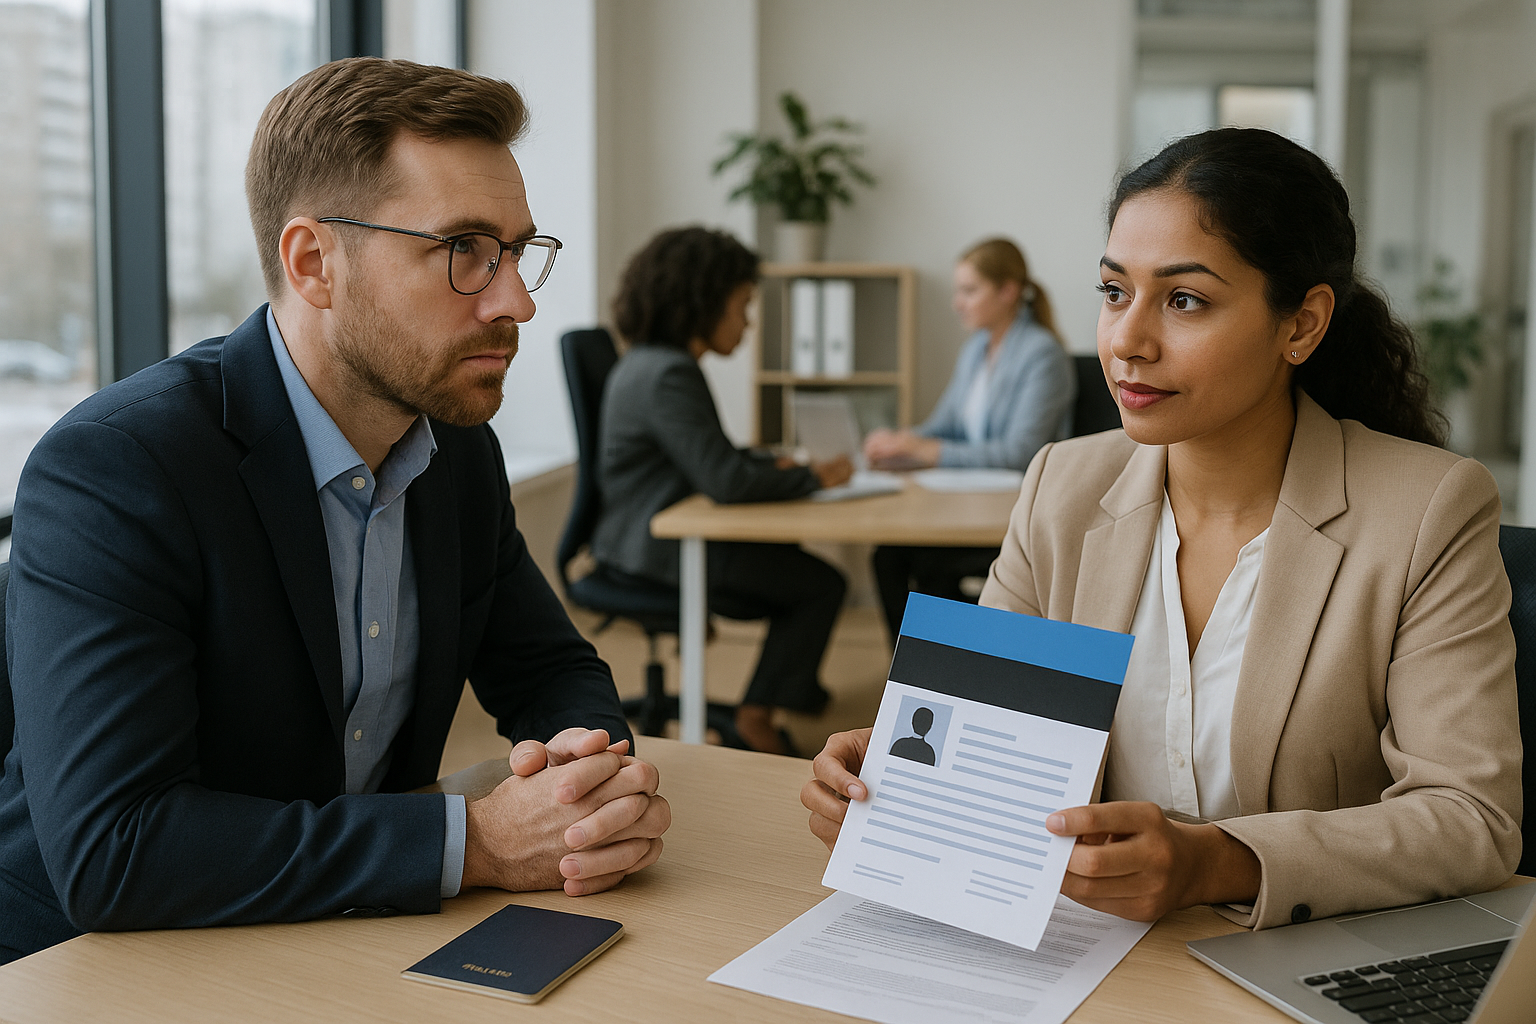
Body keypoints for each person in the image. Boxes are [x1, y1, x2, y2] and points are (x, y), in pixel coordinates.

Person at [0, 58, 670, 965]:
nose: (516, 300)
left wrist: (583, 785)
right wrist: (475, 841)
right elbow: (119, 848)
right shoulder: (119, 468)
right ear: (314, 262)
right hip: (95, 963)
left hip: (335, 933)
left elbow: (548, 667)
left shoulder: (454, 447)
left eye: (516, 253)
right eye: (465, 251)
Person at [801, 128, 1522, 931]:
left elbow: (1472, 818)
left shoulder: (1429, 509)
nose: (1126, 342)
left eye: (1184, 300)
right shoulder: (1061, 486)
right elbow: (988, 738)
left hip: (1296, 955)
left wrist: (1217, 860)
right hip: (1084, 951)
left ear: (1302, 324)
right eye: (1115, 292)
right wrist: (902, 777)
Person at [591, 226, 852, 756]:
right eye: (742, 306)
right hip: (657, 547)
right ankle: (758, 715)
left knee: (791, 564)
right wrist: (812, 476)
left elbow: (705, 457)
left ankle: (788, 691)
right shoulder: (668, 374)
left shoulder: (654, 362)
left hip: (649, 530)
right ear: (703, 302)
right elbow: (726, 482)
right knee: (821, 585)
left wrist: (760, 460)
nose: (748, 322)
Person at [863, 239, 1076, 640]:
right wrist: (901, 441)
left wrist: (928, 451)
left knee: (927, 566)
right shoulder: (976, 348)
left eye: (969, 290)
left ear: (1008, 291)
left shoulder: (1041, 354)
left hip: (1011, 513)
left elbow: (1020, 453)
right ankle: (911, 668)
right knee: (889, 555)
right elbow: (945, 425)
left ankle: (948, 664)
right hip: (967, 502)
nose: (957, 303)